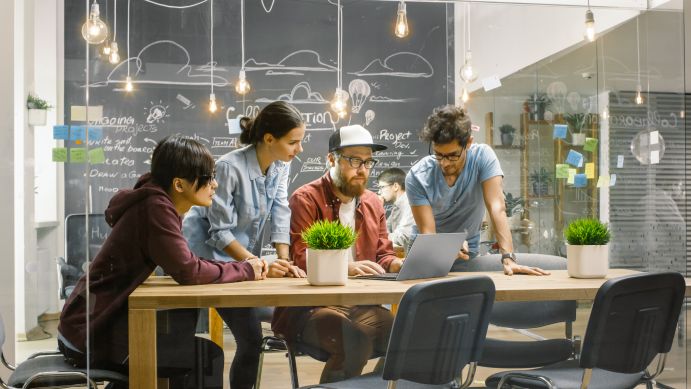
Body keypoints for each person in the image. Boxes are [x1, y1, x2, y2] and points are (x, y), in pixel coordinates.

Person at [58, 135, 267, 389]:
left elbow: (185, 263)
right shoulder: (156, 208)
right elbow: (188, 271)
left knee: (190, 344)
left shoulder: (155, 201)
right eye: (208, 178)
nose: (215, 184)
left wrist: (240, 268)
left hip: (86, 326)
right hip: (90, 335)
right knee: (205, 357)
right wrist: (245, 269)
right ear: (179, 184)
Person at [182, 101, 306, 389]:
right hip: (205, 259)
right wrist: (257, 263)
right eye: (293, 142)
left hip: (239, 262)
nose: (299, 150)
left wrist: (283, 259)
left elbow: (279, 210)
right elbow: (220, 232)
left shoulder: (279, 166)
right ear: (269, 139)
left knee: (253, 339)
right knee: (248, 339)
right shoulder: (228, 167)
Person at [272, 124, 404, 384]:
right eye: (354, 160)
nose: (362, 169)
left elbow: (383, 255)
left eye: (368, 162)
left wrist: (398, 264)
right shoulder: (305, 199)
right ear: (331, 159)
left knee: (408, 337)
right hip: (310, 309)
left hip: (360, 305)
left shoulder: (373, 202)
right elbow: (300, 259)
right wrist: (344, 267)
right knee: (354, 343)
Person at [405, 105, 548, 276]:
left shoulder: (482, 158)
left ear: (469, 143)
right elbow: (428, 233)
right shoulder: (417, 176)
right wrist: (447, 247)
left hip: (468, 257)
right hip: (427, 258)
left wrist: (508, 257)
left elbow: (497, 207)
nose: (444, 163)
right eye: (438, 155)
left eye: (452, 155)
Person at [377, 168, 415, 253]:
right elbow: (383, 230)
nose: (379, 192)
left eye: (382, 187)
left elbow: (401, 238)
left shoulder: (410, 204)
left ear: (395, 186)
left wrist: (378, 209)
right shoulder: (397, 205)